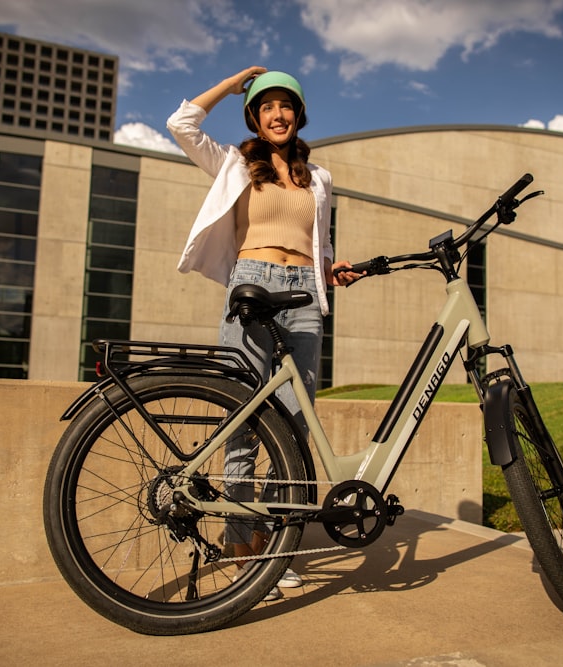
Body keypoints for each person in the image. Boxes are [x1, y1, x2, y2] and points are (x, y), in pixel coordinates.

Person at [167, 66, 359, 601]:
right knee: (245, 422)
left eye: (287, 106)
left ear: (299, 115)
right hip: (252, 285)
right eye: (267, 106)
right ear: (255, 115)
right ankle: (240, 548)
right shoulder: (234, 162)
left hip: (303, 296)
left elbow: (316, 242)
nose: (278, 115)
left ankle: (280, 548)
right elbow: (180, 123)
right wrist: (229, 85)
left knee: (295, 428)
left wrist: (329, 268)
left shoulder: (318, 177)